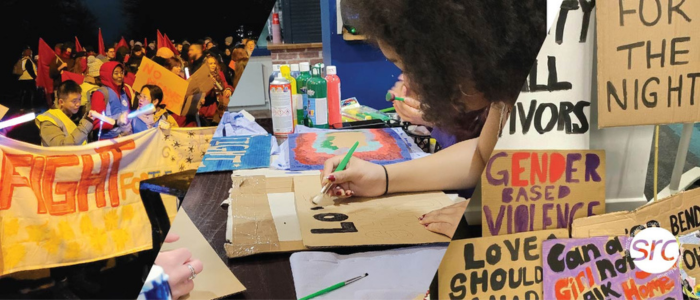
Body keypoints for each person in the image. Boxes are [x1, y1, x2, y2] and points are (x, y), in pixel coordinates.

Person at [321, 0, 545, 238]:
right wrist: (382, 177)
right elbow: (482, 156)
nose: (407, 82)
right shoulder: (505, 94)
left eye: (409, 65)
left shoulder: (564, 92)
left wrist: (495, 218)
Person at [35, 80, 94, 146]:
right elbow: (61, 147)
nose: (78, 104)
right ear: (61, 102)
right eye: (74, 101)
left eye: (79, 99)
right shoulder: (48, 121)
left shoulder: (74, 115)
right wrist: (85, 126)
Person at [90, 62, 133, 140]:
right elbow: (96, 122)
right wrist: (116, 122)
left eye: (121, 72)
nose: (120, 76)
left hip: (125, 138)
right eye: (116, 73)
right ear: (107, 75)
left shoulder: (123, 92)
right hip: (107, 141)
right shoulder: (100, 94)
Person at [198, 55, 232, 125]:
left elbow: (225, 85)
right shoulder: (202, 76)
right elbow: (202, 93)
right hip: (208, 111)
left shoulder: (219, 74)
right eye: (210, 64)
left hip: (220, 109)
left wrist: (228, 89)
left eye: (214, 63)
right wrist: (210, 84)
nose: (213, 65)